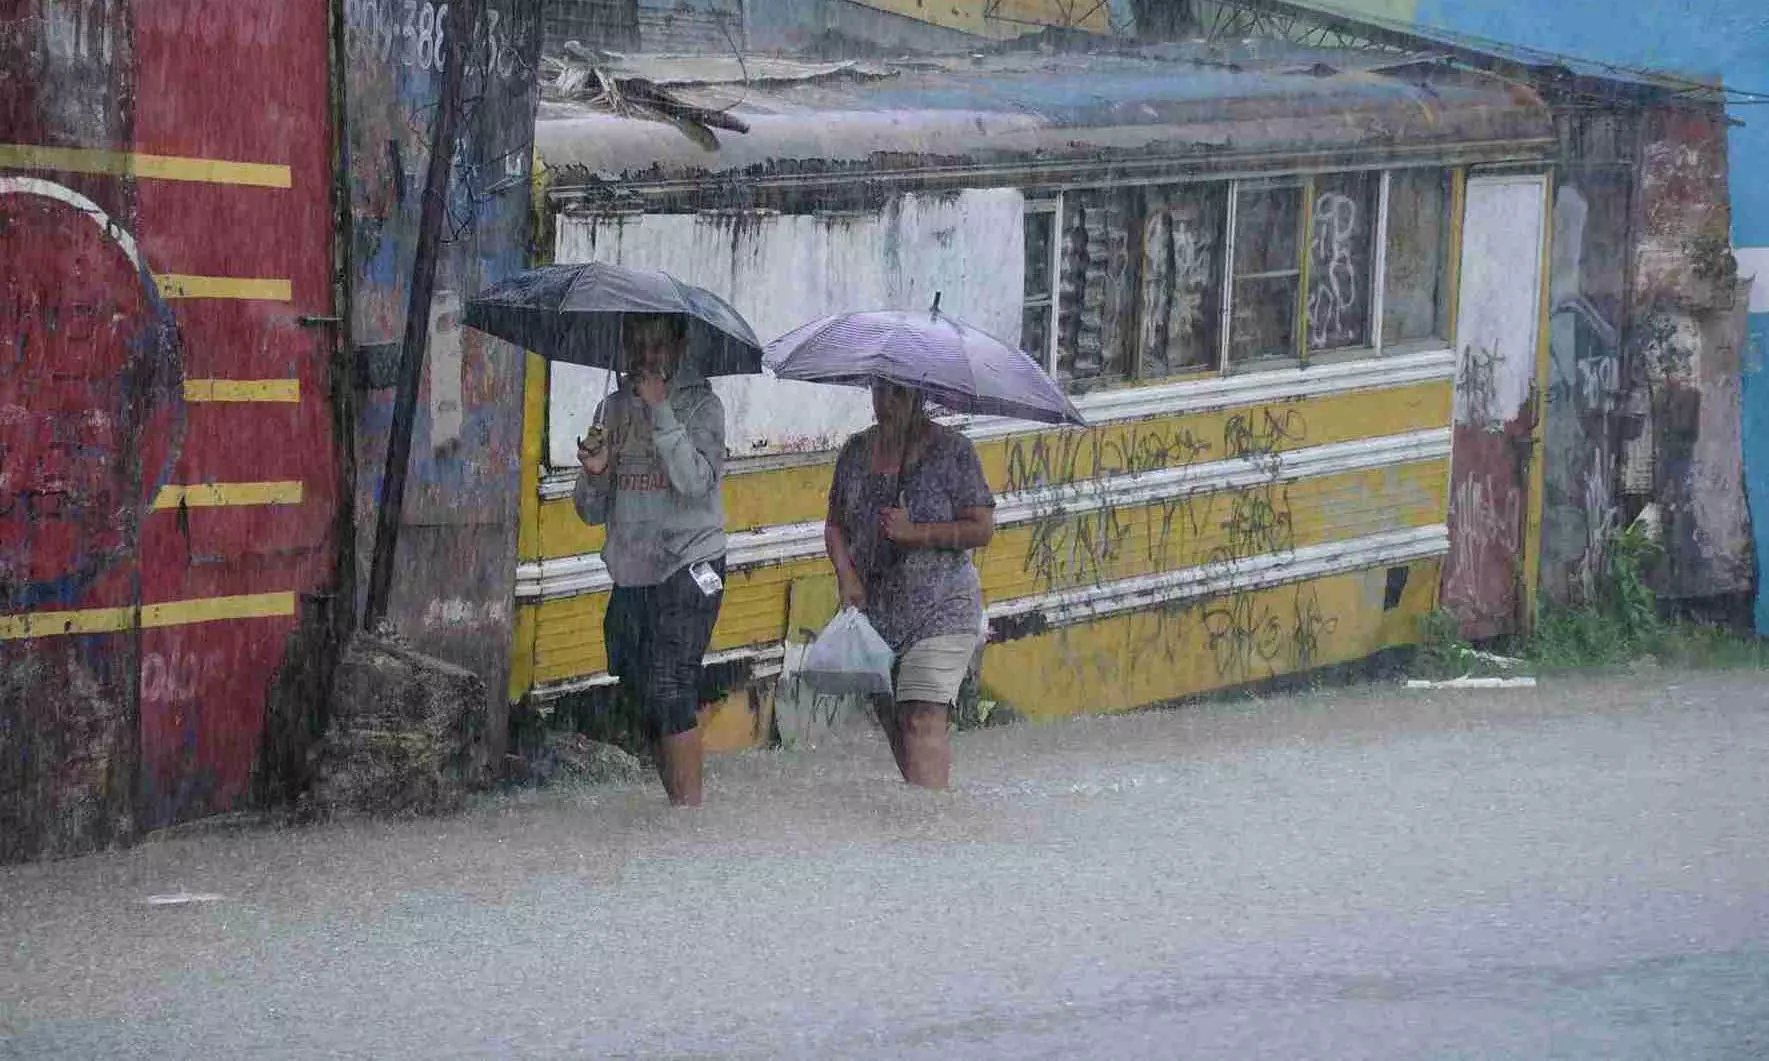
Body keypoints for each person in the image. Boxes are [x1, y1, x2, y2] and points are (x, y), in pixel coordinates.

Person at [574, 314, 727, 806]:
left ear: (679, 346)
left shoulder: (702, 404)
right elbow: (589, 510)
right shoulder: (612, 409)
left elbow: (696, 483)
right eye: (636, 344)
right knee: (641, 693)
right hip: (634, 570)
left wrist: (661, 413)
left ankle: (690, 819)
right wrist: (595, 473)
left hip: (692, 564)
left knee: (670, 683)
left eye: (657, 344)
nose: (646, 356)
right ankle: (676, 813)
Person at [824, 381, 996, 789]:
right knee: (898, 723)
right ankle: (924, 817)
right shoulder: (856, 452)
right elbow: (833, 526)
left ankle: (930, 837)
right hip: (877, 615)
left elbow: (982, 528)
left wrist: (914, 532)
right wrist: (846, 576)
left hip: (941, 610)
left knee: (922, 714)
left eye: (898, 394)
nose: (886, 403)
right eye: (879, 391)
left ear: (921, 397)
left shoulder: (952, 452)